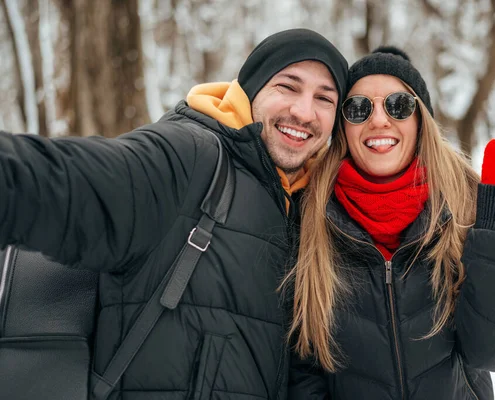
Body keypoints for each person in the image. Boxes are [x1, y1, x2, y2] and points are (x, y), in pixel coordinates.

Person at [0, 28, 347, 399]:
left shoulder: (312, 210)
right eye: (288, 87)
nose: (304, 111)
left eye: (324, 99)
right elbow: (65, 182)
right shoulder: (191, 157)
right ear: (251, 90)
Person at [285, 46, 495, 399]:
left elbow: (493, 351)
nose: (379, 120)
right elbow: (301, 369)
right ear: (343, 128)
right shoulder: (308, 218)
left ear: (420, 119)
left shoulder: (463, 207)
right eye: (358, 108)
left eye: (398, 105)